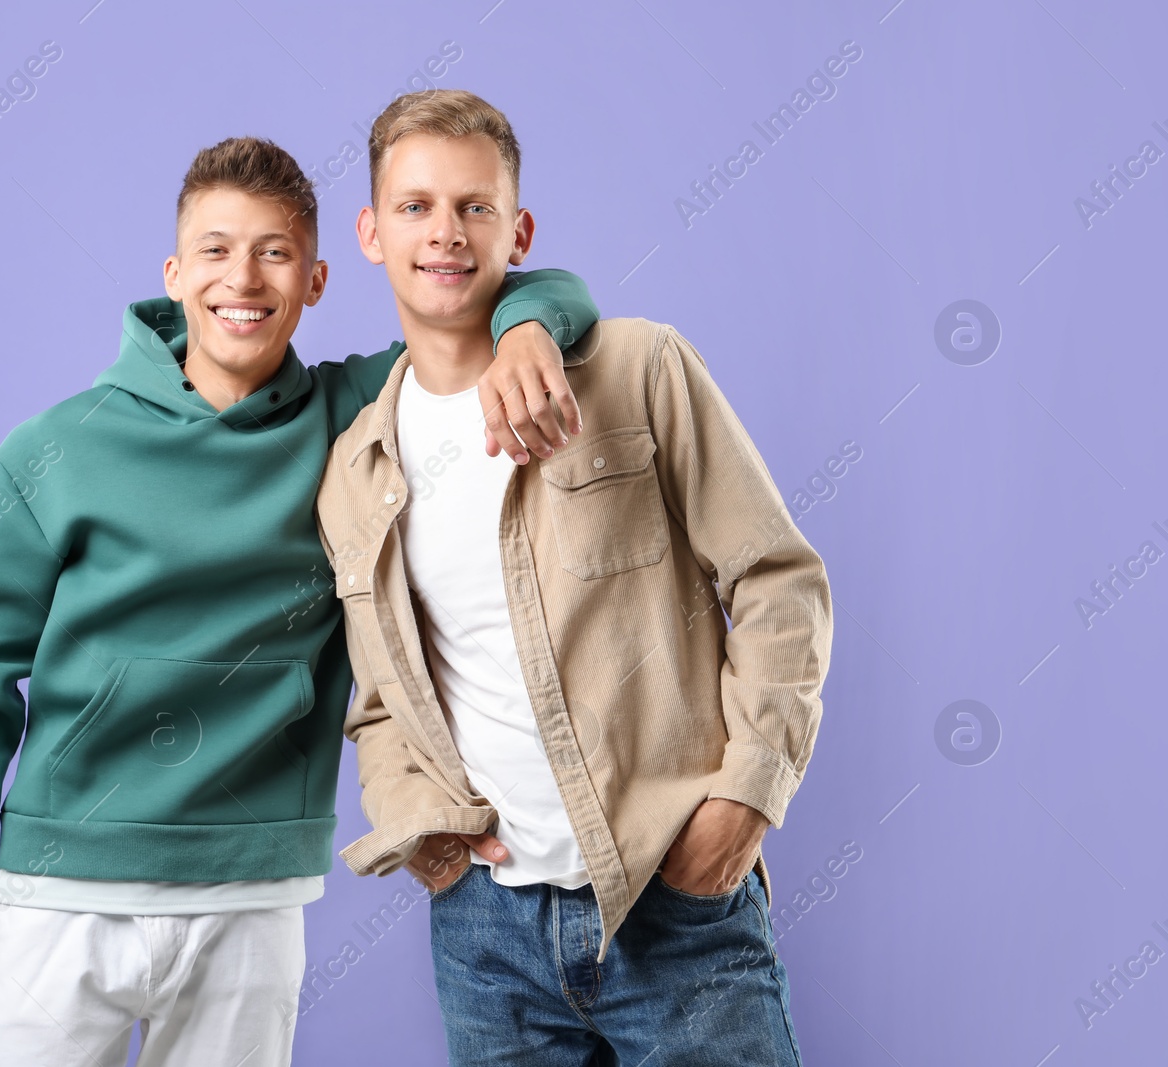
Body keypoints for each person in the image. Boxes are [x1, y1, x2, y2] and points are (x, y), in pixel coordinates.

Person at [0, 133, 600, 1066]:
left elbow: (550, 293)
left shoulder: (354, 413)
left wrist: (524, 330)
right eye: (216, 250)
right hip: (64, 885)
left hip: (255, 892)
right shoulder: (53, 450)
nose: (244, 277)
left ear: (315, 279)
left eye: (274, 252)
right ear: (174, 270)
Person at [315, 88, 834, 1066]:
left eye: (474, 207)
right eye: (415, 206)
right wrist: (421, 829)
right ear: (370, 232)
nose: (445, 234)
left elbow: (778, 580)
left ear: (519, 229)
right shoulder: (355, 468)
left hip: (670, 904)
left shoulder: (638, 368)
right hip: (485, 938)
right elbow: (381, 699)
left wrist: (746, 794)